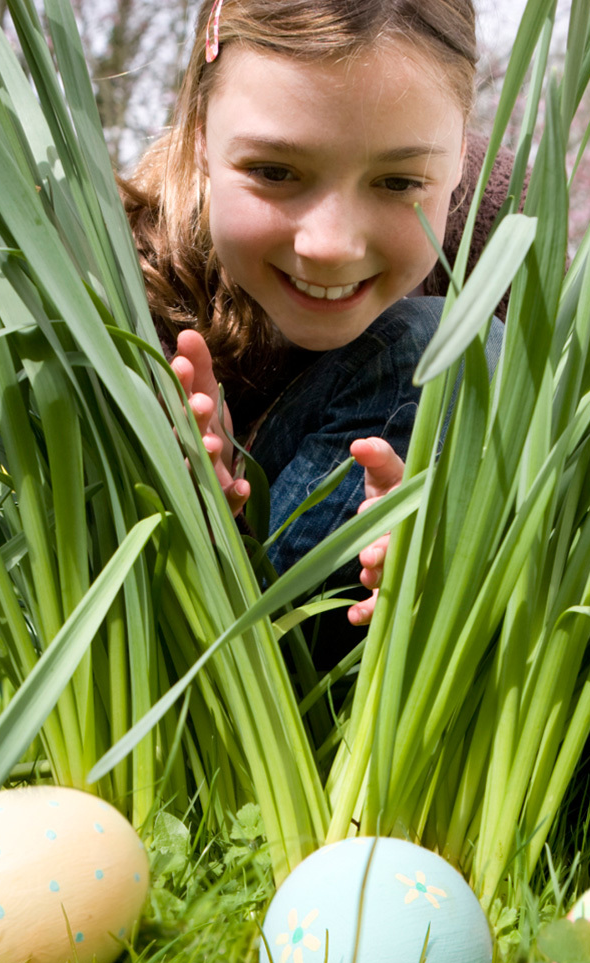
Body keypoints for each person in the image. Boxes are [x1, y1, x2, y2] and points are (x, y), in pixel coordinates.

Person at [118, 0, 512, 628]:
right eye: (275, 171)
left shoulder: (496, 234)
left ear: (461, 154)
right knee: (438, 348)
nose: (329, 245)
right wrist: (186, 520)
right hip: (211, 642)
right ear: (200, 135)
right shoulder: (131, 274)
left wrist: (469, 550)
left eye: (397, 183)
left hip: (409, 654)